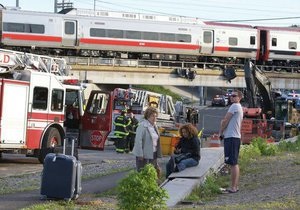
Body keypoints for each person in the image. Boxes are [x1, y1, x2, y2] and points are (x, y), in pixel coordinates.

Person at [219, 90, 243, 193]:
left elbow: (225, 120)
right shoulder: (239, 107)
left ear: (239, 97)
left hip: (231, 137)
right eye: (230, 96)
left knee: (233, 163)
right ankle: (235, 186)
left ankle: (233, 187)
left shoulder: (234, 106)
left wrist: (220, 131)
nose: (231, 97)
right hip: (234, 137)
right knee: (234, 162)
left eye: (234, 96)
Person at [132, 107, 162, 175]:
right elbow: (138, 141)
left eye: (155, 116)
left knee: (152, 172)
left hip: (153, 153)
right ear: (148, 116)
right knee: (142, 172)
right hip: (143, 154)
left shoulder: (155, 126)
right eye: (152, 116)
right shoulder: (142, 126)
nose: (154, 118)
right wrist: (140, 154)